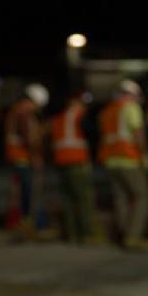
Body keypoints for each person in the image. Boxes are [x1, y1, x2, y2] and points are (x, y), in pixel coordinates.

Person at [98, 79, 148, 250]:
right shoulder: (131, 108)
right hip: (128, 159)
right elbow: (138, 134)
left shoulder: (107, 111)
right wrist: (145, 155)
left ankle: (123, 233)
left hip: (110, 161)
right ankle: (133, 237)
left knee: (121, 199)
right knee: (141, 196)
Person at [51, 89, 101, 243]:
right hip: (77, 161)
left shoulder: (58, 118)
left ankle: (71, 234)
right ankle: (87, 234)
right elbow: (92, 134)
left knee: (68, 199)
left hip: (61, 161)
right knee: (84, 199)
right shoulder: (80, 117)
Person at [4, 83, 52, 238]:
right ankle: (39, 226)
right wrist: (42, 133)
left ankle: (27, 223)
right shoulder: (24, 113)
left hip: (17, 157)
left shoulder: (15, 111)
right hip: (23, 157)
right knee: (32, 193)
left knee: (25, 193)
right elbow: (29, 139)